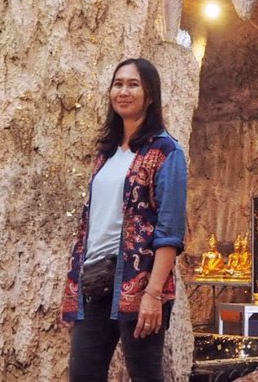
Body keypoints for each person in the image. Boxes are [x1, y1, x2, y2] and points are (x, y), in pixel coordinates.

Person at [61, 58, 188, 381]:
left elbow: (169, 231)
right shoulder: (106, 153)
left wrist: (153, 293)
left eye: (133, 84)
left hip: (139, 282)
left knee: (145, 375)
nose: (123, 91)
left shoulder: (166, 151)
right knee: (82, 374)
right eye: (118, 84)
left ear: (150, 95)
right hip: (94, 278)